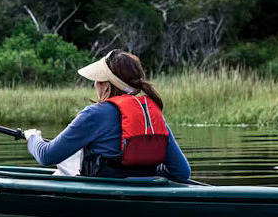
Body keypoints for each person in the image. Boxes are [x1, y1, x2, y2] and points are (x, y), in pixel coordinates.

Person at [24, 49, 190, 180]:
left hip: (103, 193)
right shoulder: (152, 116)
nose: (95, 84)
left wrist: (33, 138)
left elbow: (46, 156)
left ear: (106, 85)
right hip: (146, 192)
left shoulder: (94, 114)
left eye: (97, 80)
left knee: (66, 165)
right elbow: (182, 173)